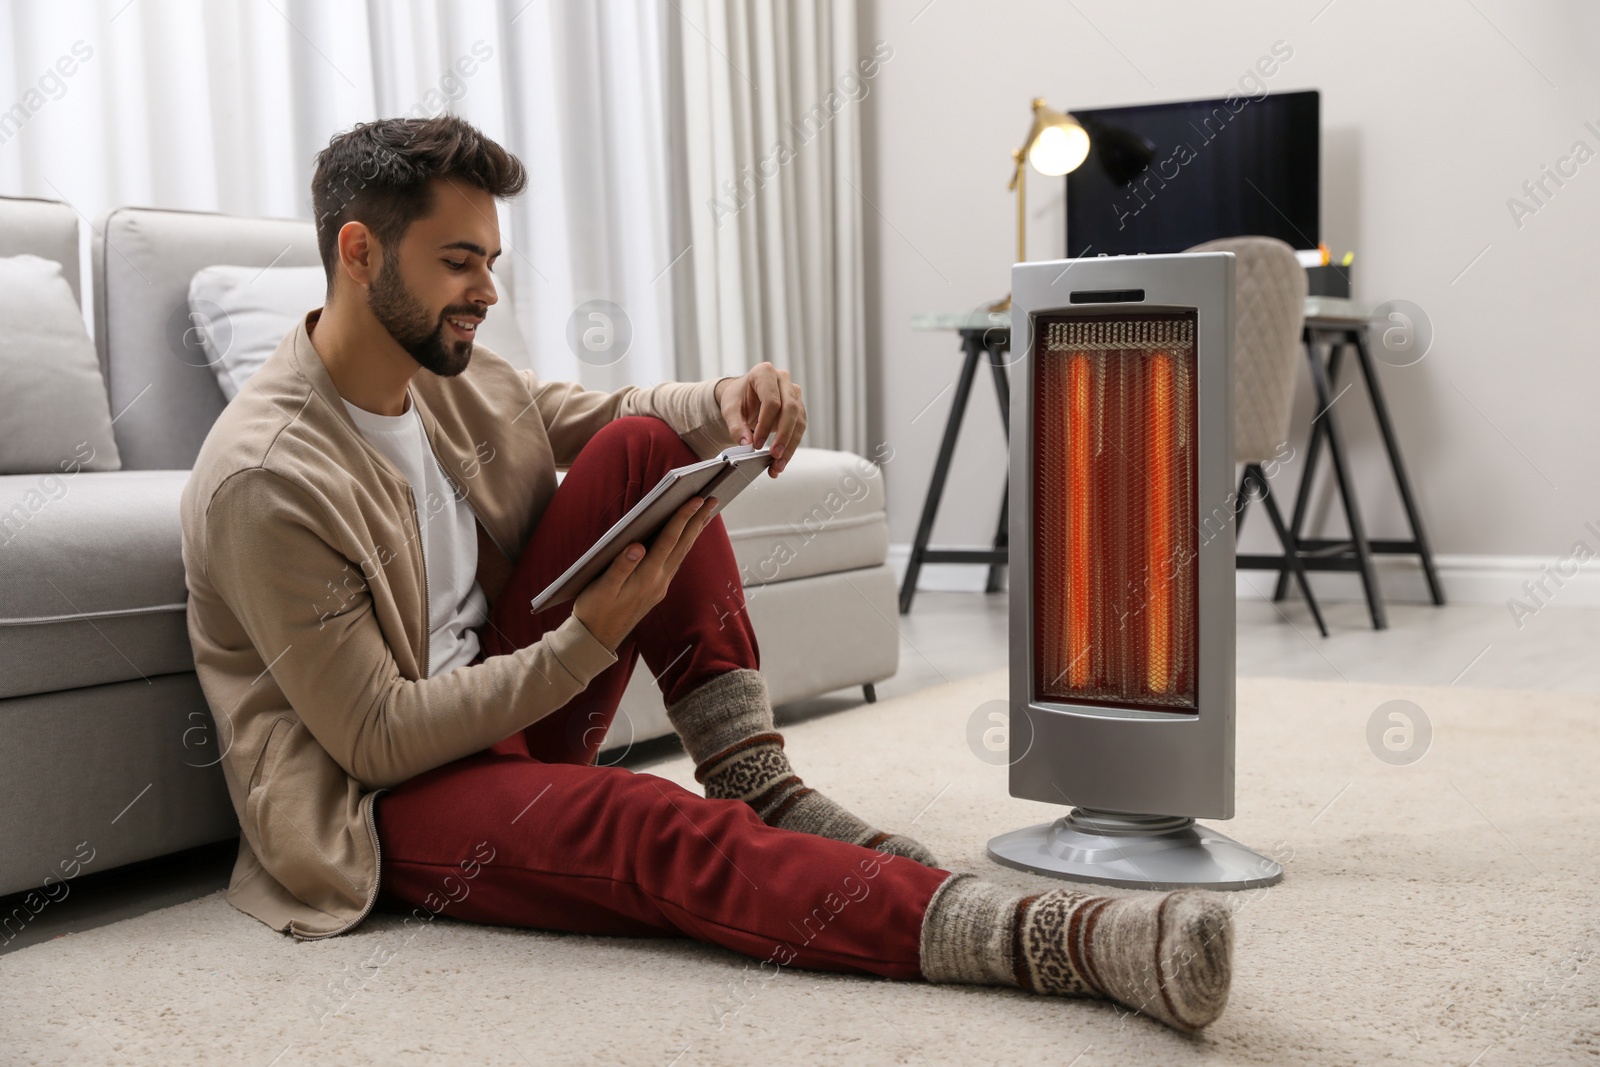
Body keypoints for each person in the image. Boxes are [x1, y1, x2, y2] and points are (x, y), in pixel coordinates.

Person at [179, 114, 1235, 1033]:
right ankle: (1059, 938)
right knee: (649, 823)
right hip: (387, 795)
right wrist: (587, 641)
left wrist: (728, 396)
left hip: (505, 698)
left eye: (492, 261)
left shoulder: (442, 372)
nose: (486, 292)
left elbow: (598, 421)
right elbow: (376, 733)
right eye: (461, 261)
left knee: (648, 449)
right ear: (359, 252)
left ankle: (755, 778)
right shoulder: (267, 478)